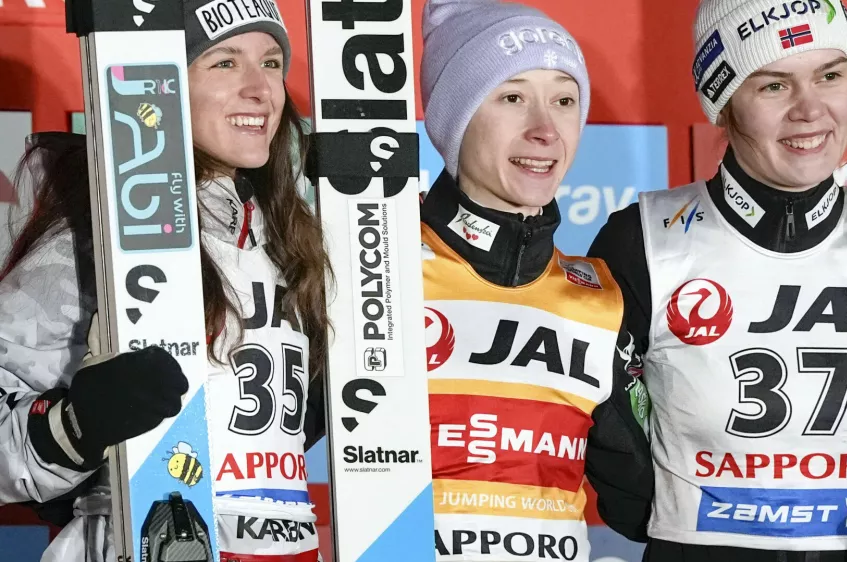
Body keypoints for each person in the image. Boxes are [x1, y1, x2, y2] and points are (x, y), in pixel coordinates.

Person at [586, 0, 847, 561]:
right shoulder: (644, 239)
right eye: (773, 85)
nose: (811, 110)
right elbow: (600, 429)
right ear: (724, 102)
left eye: (830, 75)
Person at [0, 1, 330, 560]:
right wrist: (76, 426)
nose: (262, 89)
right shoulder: (90, 244)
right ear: (163, 84)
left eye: (272, 62)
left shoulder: (290, 242)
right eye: (225, 63)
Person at [338, 0, 650, 559]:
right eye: (512, 97)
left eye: (564, 100)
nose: (544, 130)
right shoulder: (375, 270)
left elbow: (641, 506)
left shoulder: (599, 298)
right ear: (454, 118)